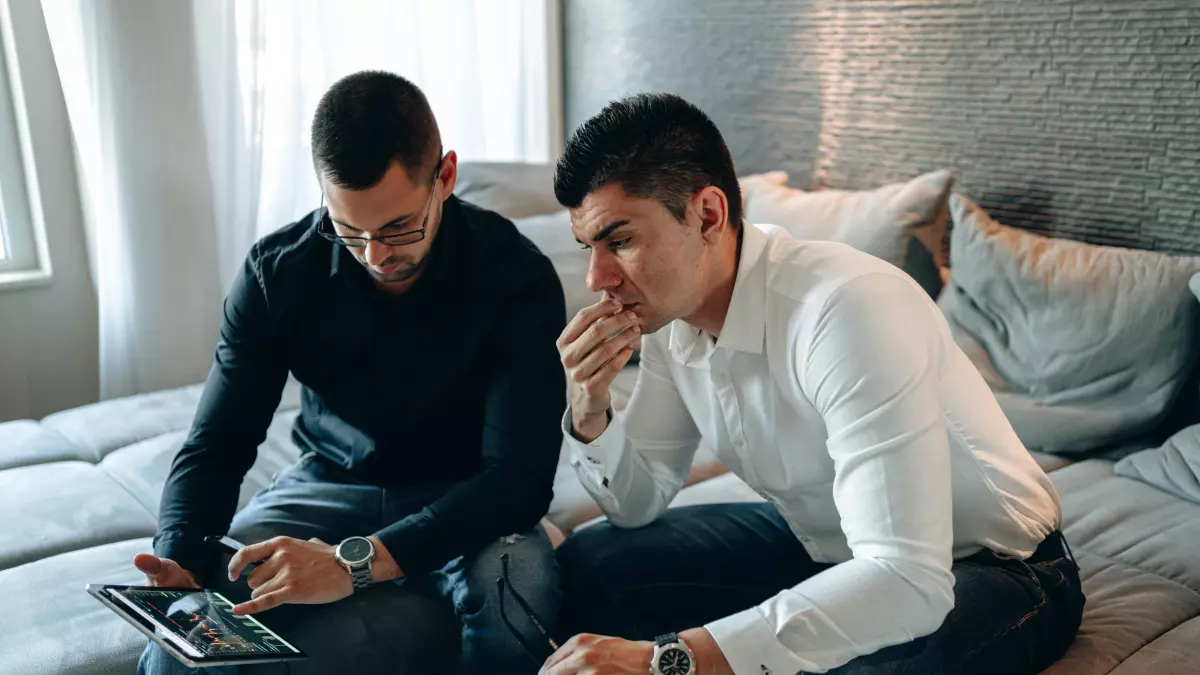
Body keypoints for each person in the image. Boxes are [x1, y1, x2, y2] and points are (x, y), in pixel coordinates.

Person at [543, 93, 1084, 675]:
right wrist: (589, 403)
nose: (598, 279)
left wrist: (671, 659)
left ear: (706, 215)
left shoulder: (847, 308)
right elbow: (635, 502)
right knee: (592, 561)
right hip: (827, 541)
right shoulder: (672, 325)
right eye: (588, 248)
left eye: (620, 241)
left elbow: (907, 578)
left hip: (991, 565)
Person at [135, 70, 566, 675]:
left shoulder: (515, 276)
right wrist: (179, 554)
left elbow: (519, 481)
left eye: (398, 227)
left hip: (469, 493)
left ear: (445, 177)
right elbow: (217, 444)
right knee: (182, 643)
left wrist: (354, 563)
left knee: (516, 596)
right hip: (328, 481)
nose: (375, 255)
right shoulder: (277, 273)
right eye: (349, 230)